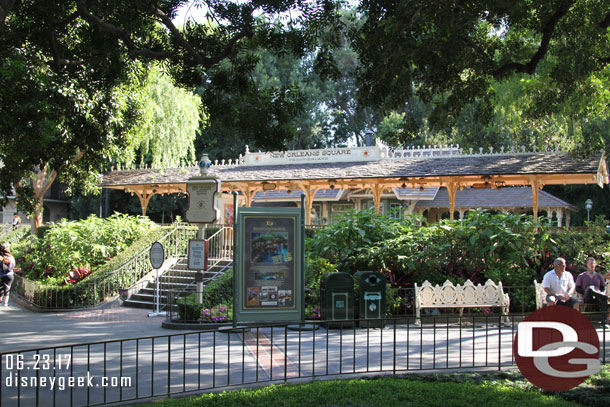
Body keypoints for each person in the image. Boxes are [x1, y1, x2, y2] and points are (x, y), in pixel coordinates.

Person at [576, 257, 609, 326]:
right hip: (587, 296)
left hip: (597, 297)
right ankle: (605, 297)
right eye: (590, 263)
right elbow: (577, 288)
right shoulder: (582, 276)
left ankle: (604, 321)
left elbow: (602, 288)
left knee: (603, 299)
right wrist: (585, 292)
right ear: (587, 265)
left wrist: (602, 293)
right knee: (590, 288)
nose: (592, 265)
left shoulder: (599, 276)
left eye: (593, 263)